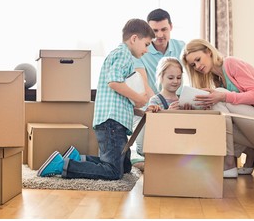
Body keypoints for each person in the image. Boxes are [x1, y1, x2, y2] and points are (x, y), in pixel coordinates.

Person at [37, 18, 160, 180]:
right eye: (146, 44)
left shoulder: (121, 55)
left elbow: (120, 98)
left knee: (124, 166)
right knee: (113, 171)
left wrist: (141, 110)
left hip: (114, 122)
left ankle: (78, 158)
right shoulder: (124, 55)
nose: (146, 50)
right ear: (134, 39)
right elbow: (114, 82)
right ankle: (62, 165)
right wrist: (139, 97)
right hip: (112, 123)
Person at [181, 39, 254, 178]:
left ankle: (229, 162)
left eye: (198, 59)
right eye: (193, 64)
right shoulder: (218, 79)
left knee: (218, 97)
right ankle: (249, 154)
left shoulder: (231, 63)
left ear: (209, 52)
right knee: (215, 114)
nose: (197, 66)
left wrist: (223, 96)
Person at [132, 9, 185, 165]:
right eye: (155, 31)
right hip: (152, 108)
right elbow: (145, 86)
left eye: (164, 29)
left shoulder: (181, 47)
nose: (160, 35)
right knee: (144, 146)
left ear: (171, 27)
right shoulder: (140, 51)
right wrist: (162, 110)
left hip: (178, 107)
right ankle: (141, 157)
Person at [132, 57, 183, 171]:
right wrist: (168, 113)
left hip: (176, 143)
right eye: (170, 78)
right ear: (161, 77)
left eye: (179, 78)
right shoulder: (156, 100)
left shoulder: (182, 99)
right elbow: (154, 129)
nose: (175, 81)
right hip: (160, 143)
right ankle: (139, 162)